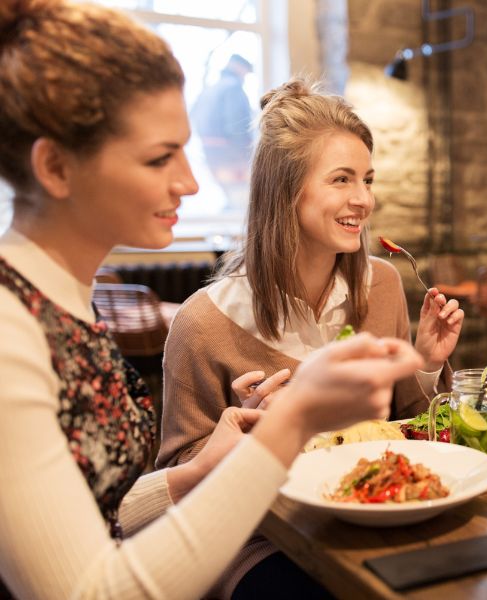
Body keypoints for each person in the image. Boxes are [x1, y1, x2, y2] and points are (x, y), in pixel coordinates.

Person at [0, 2, 424, 599]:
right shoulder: (10, 329)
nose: (191, 182)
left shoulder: (63, 305)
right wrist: (296, 419)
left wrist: (200, 470)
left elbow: (105, 516)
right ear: (54, 166)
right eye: (159, 157)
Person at [156, 77, 465, 596]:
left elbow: (416, 427)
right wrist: (255, 432)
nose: (364, 199)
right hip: (262, 540)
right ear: (285, 189)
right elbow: (178, 478)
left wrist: (427, 364)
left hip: (378, 513)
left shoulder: (383, 284)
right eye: (341, 180)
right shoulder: (202, 323)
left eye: (368, 179)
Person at [191, 53, 254, 209]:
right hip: (232, 157)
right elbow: (238, 126)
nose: (245, 76)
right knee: (241, 206)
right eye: (245, 71)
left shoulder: (210, 90)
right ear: (239, 67)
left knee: (232, 200)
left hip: (212, 156)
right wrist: (248, 154)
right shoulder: (233, 88)